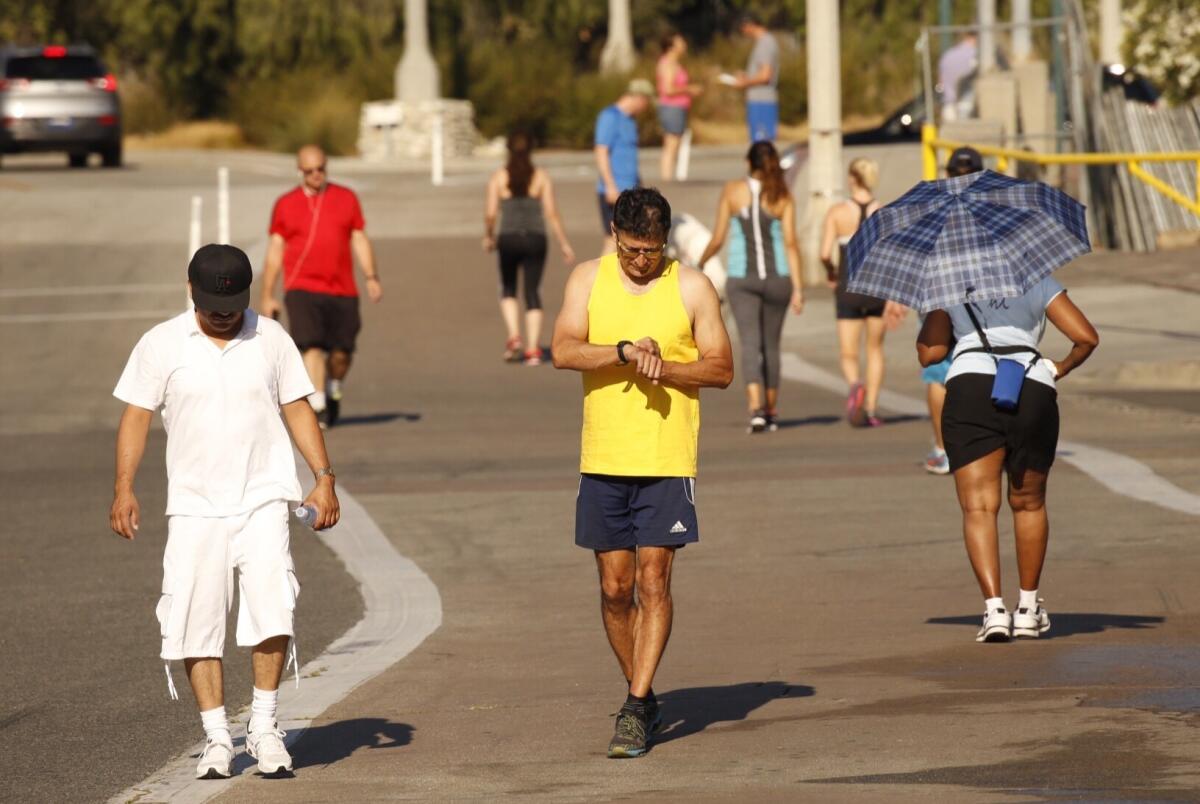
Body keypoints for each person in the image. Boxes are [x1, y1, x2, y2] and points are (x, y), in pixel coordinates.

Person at [110, 244, 341, 779]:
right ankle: (217, 738)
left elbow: (297, 407)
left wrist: (323, 478)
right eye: (214, 302)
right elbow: (136, 417)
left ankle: (263, 727)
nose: (224, 313)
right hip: (193, 508)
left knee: (272, 608)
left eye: (233, 302)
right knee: (195, 617)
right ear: (190, 290)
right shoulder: (161, 343)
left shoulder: (271, 338)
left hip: (262, 498)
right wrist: (124, 488)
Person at [551, 187, 733, 758]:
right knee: (614, 589)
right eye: (631, 250)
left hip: (666, 457)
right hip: (603, 456)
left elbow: (722, 368)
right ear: (614, 234)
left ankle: (633, 706)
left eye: (650, 251)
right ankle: (646, 692)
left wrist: (669, 366)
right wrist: (625, 351)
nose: (640, 262)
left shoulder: (692, 286)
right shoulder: (587, 279)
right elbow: (561, 350)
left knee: (653, 582)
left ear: (666, 241)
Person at [917, 275, 1099, 643]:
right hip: (1031, 385)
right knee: (1029, 504)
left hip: (969, 388)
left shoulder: (946, 283)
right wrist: (1059, 367)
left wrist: (938, 303)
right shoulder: (1038, 280)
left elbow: (930, 354)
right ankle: (1029, 609)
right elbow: (1086, 337)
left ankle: (995, 611)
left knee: (979, 507)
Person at [260, 144, 383, 428]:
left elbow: (359, 238)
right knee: (311, 346)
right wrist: (268, 294)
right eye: (310, 171)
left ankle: (333, 387)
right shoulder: (285, 204)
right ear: (300, 171)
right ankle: (318, 405)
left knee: (342, 353)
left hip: (342, 289)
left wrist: (371, 277)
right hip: (301, 287)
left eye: (321, 169)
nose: (317, 175)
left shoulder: (346, 198)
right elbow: (275, 250)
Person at [697, 141, 803, 432]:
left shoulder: (733, 191)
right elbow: (791, 244)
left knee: (749, 343)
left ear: (748, 162)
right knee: (771, 346)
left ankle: (756, 409)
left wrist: (701, 261)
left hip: (742, 279)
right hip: (778, 278)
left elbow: (718, 238)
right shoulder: (782, 195)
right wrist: (798, 287)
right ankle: (771, 410)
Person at [483, 133, 575, 366]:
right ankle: (533, 349)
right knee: (533, 291)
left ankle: (514, 337)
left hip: (509, 237)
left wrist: (489, 236)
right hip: (536, 238)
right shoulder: (541, 176)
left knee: (508, 287)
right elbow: (552, 213)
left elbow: (491, 213)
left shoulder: (499, 177)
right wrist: (564, 243)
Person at [923, 146, 986, 474]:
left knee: (938, 372)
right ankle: (987, 442)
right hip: (984, 295)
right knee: (985, 362)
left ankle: (943, 448)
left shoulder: (935, 206)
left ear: (948, 174)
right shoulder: (990, 207)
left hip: (941, 293)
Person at [820, 158, 892, 427]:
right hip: (876, 288)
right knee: (875, 349)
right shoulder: (884, 212)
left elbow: (825, 253)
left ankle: (854, 383)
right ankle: (872, 408)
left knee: (849, 353)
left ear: (852, 178)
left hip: (848, 286)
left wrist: (830, 271)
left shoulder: (837, 213)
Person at [595, 80, 655, 251]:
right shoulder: (609, 116)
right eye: (646, 102)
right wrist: (609, 185)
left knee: (631, 238)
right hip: (614, 188)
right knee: (613, 237)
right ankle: (603, 277)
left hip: (632, 190)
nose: (646, 108)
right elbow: (601, 152)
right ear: (639, 98)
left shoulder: (630, 121)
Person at [656, 32, 701, 181]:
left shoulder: (675, 63)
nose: (684, 45)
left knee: (674, 144)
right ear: (672, 46)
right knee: (671, 144)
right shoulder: (668, 63)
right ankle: (667, 179)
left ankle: (668, 177)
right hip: (672, 108)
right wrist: (689, 89)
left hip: (678, 108)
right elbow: (668, 89)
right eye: (680, 42)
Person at [734, 13, 780, 143]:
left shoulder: (765, 43)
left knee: (762, 143)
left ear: (750, 25)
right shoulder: (764, 42)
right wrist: (746, 76)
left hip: (762, 100)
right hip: (759, 99)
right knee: (759, 142)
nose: (742, 31)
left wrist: (745, 82)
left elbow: (765, 75)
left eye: (742, 27)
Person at [938, 31, 978, 122]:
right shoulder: (974, 53)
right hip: (965, 101)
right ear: (973, 39)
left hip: (948, 103)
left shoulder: (948, 55)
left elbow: (940, 78)